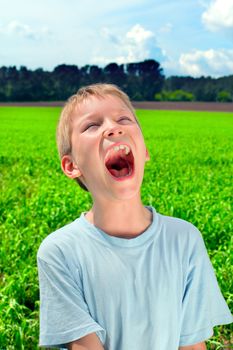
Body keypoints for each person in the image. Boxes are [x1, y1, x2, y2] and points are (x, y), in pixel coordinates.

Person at [37, 83, 232, 350]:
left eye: (123, 119)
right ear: (72, 166)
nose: (113, 128)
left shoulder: (185, 239)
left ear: (145, 151)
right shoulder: (60, 251)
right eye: (92, 125)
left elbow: (192, 344)